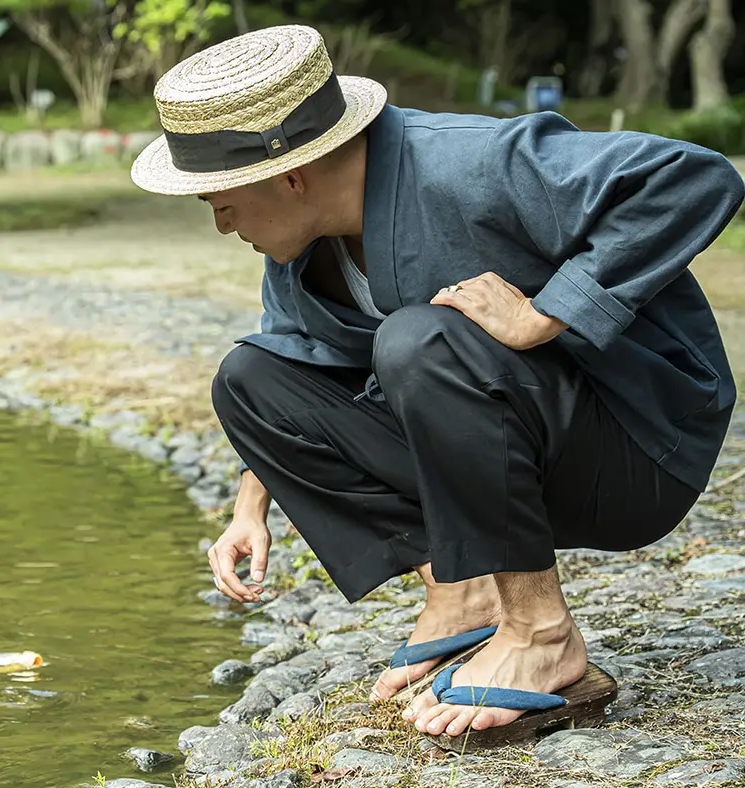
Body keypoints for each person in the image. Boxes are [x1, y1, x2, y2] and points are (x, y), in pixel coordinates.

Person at [129, 24, 745, 741]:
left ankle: (541, 632)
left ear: (288, 176)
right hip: (505, 464)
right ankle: (466, 592)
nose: (220, 223)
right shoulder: (304, 249)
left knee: (419, 339)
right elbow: (292, 354)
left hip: (637, 453)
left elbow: (695, 179)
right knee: (249, 378)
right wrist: (250, 505)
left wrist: (548, 314)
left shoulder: (472, 161)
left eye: (218, 199)